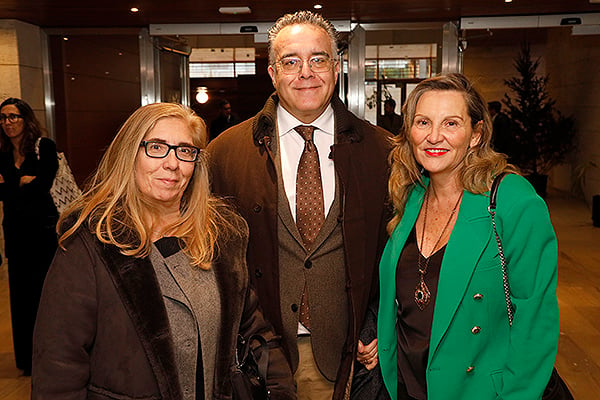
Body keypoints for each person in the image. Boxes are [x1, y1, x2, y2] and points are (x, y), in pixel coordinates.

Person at [32, 103, 296, 399]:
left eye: (185, 150)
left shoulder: (221, 234)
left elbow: (254, 330)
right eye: (157, 147)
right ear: (130, 153)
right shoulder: (92, 240)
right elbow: (58, 364)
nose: (172, 163)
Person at [207, 10, 391, 400]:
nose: (305, 72)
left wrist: (379, 324)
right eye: (291, 61)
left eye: (318, 59)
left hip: (349, 358)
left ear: (337, 67)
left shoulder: (383, 152)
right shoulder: (225, 153)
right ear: (273, 74)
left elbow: (399, 251)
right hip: (258, 357)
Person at [377, 73, 559, 399]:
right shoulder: (410, 195)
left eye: (451, 124)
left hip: (477, 390)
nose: (434, 136)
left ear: (475, 134)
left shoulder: (511, 200)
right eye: (423, 122)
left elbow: (536, 322)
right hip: (407, 385)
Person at [0, 97, 58, 376]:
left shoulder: (43, 147)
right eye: (3, 118)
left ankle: (49, 355)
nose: (7, 123)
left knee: (44, 297)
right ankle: (27, 360)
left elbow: (44, 184)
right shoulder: (1, 154)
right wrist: (21, 182)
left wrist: (16, 184)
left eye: (13, 117)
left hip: (43, 234)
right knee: (20, 300)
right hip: (15, 235)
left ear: (26, 119)